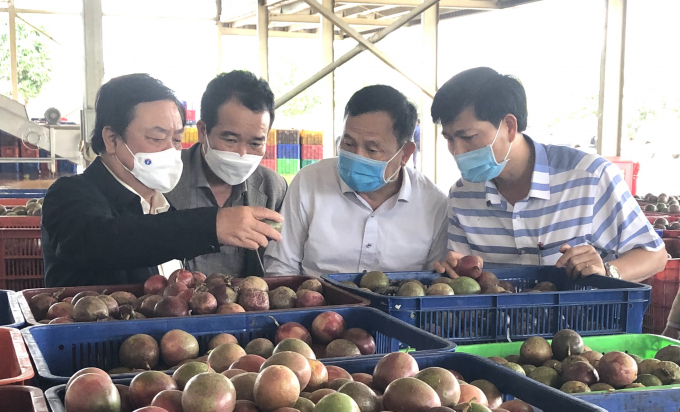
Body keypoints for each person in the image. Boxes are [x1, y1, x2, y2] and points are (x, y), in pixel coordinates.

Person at [41, 73, 282, 287]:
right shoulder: (70, 194)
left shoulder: (161, 204)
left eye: (176, 140)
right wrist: (212, 225)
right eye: (157, 139)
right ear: (112, 139)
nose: (170, 151)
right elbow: (100, 241)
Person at [431, 67, 667, 282]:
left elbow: (654, 255)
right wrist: (454, 268)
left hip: (584, 327)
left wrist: (607, 271)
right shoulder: (462, 195)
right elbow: (462, 272)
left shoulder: (590, 178)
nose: (457, 151)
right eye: (449, 139)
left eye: (468, 137)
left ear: (509, 127)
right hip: (499, 326)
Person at [264, 85, 448, 277]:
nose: (357, 156)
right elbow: (281, 266)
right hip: (316, 303)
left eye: (372, 149)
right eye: (348, 143)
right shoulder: (309, 183)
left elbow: (434, 282)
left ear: (405, 154)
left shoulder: (433, 204)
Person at [166, 71, 287, 277]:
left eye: (256, 143)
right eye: (230, 140)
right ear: (203, 131)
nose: (242, 153)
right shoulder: (165, 179)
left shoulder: (273, 188)